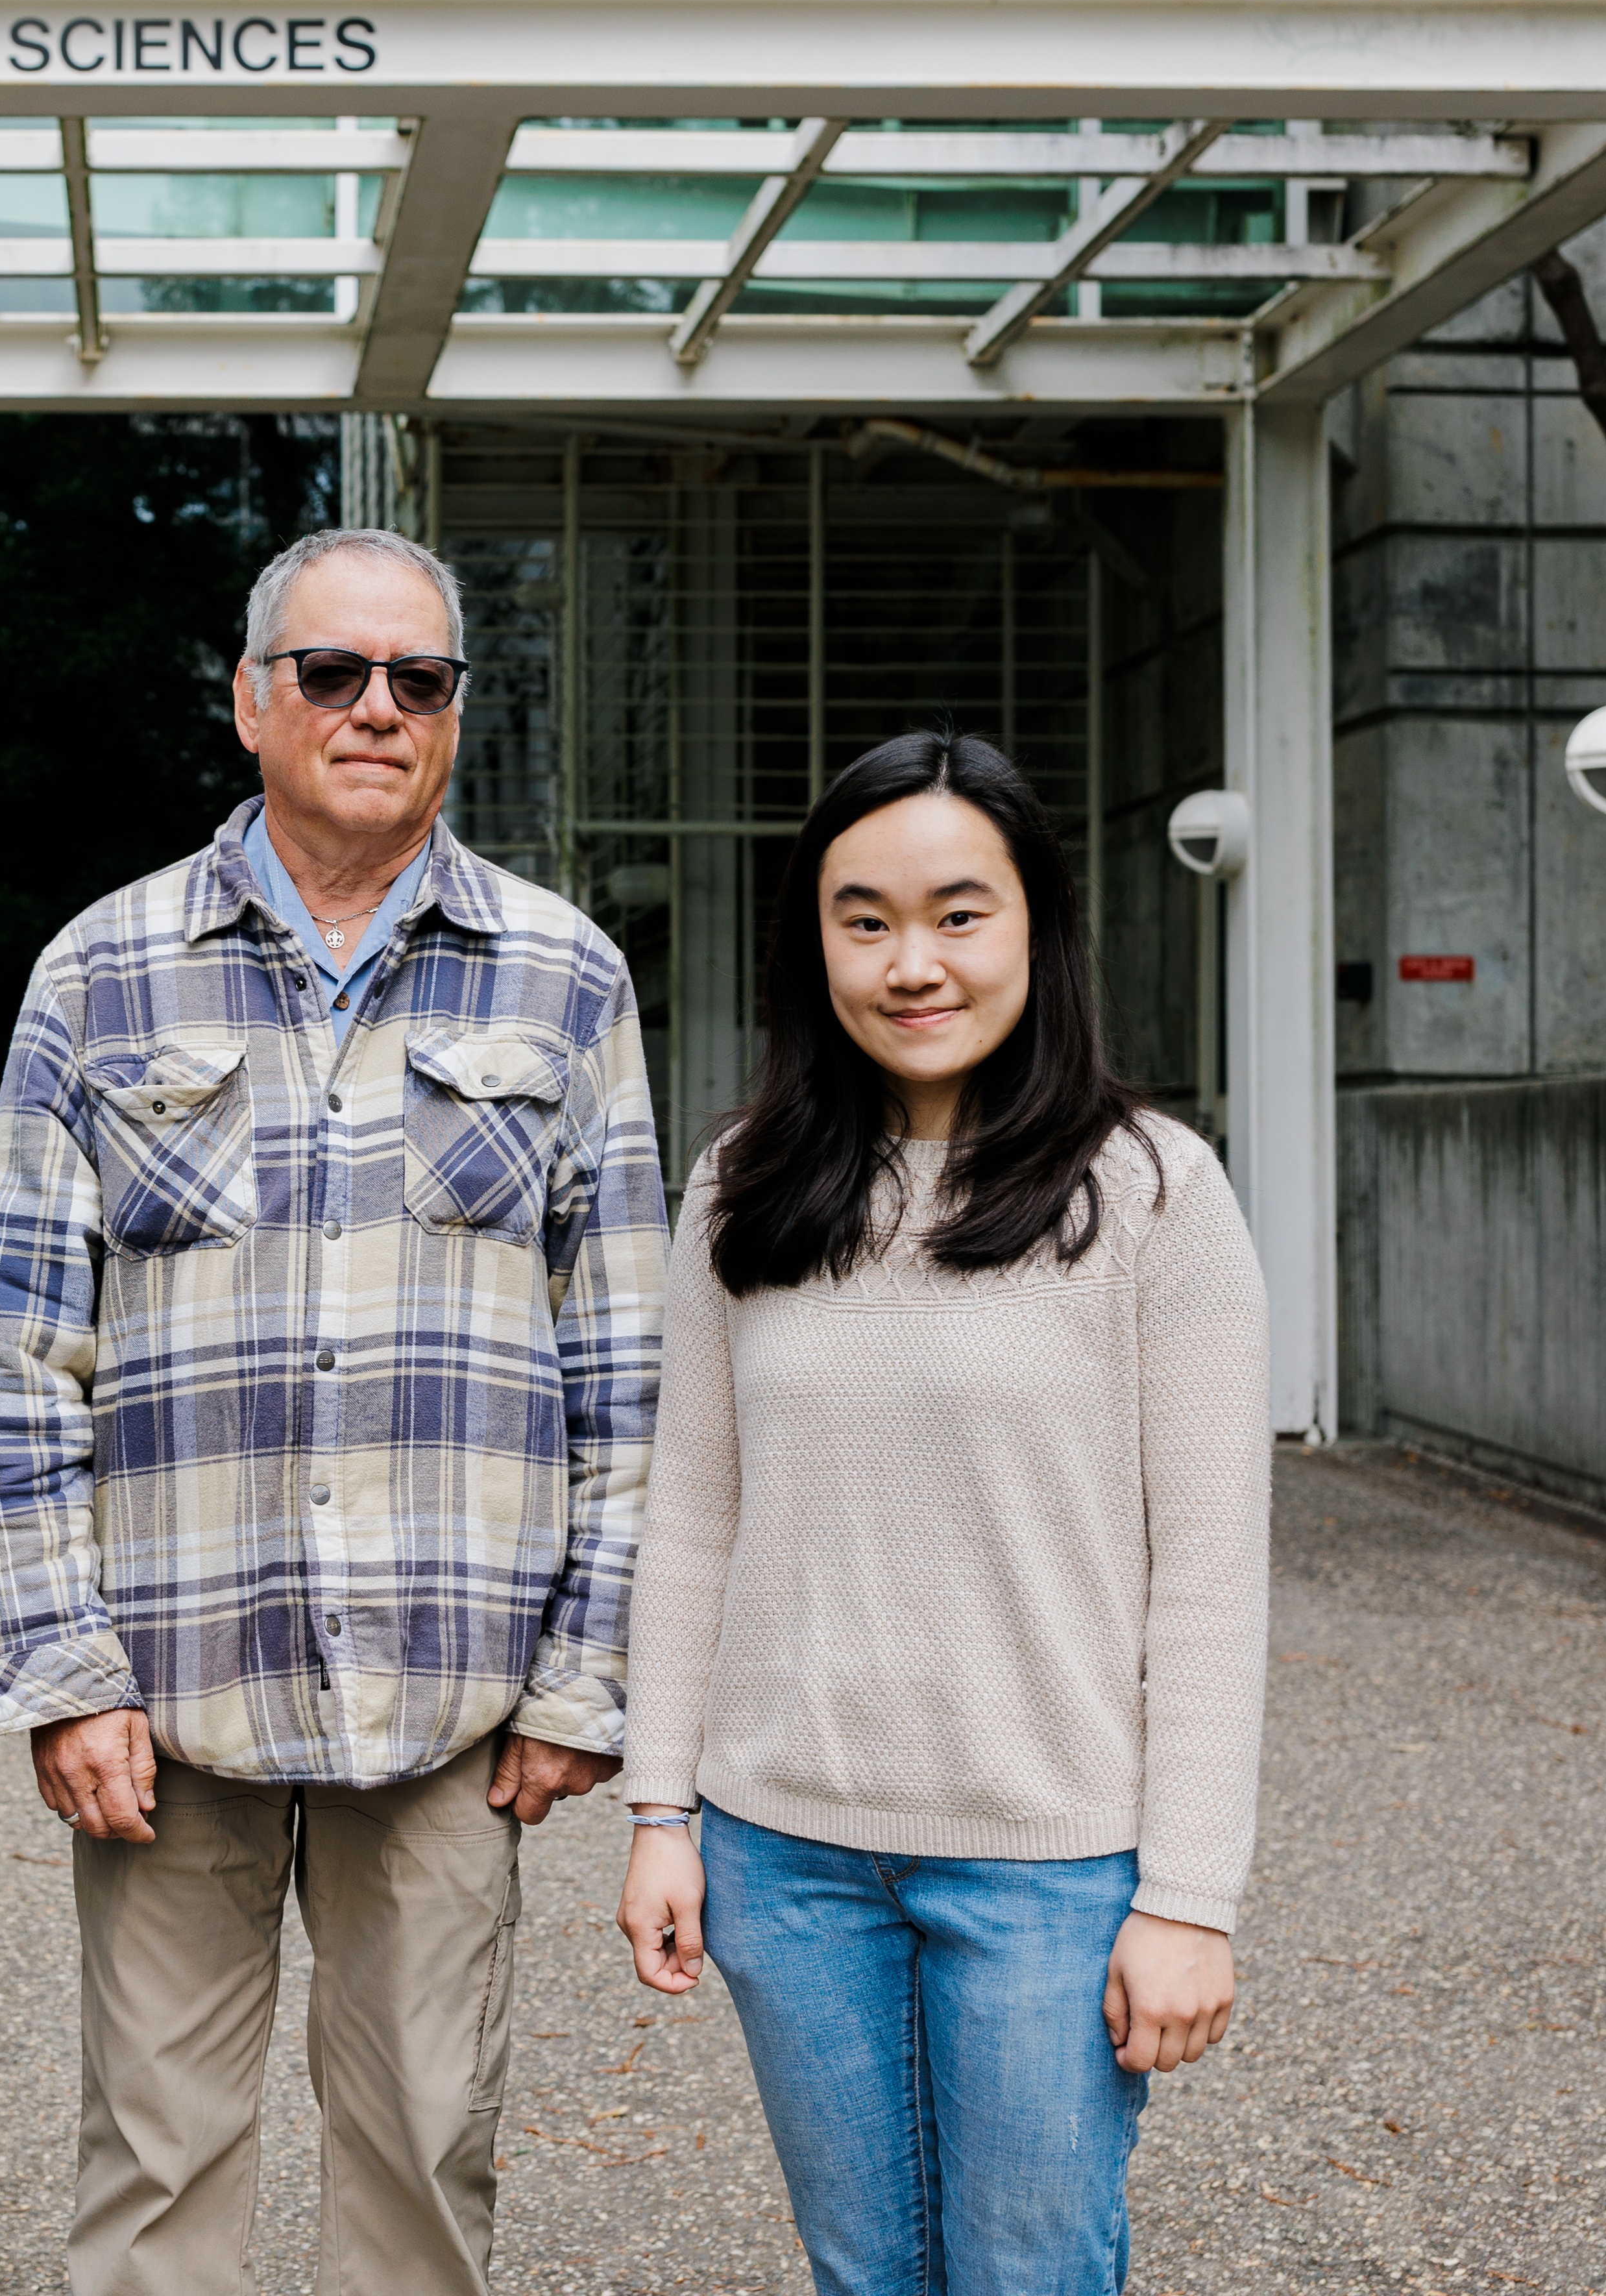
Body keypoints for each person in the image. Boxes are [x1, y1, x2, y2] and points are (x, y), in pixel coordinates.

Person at [0, 526, 669, 2296]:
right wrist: (58, 1672)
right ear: (255, 701)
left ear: (453, 714)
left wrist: (586, 1679)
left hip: (449, 1696)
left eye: (417, 679)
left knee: (431, 2153)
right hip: (167, 1697)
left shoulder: (564, 979)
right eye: (333, 673)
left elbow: (628, 1365)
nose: (376, 708)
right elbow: (15, 1356)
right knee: (156, 2158)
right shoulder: (101, 974)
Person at [614, 726, 1271, 2296]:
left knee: (1030, 2270)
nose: (911, 963)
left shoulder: (1152, 1195)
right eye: (864, 919)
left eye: (958, 913)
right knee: (862, 2269)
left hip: (1047, 1867)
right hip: (783, 1857)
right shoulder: (740, 1186)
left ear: (1034, 927)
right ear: (814, 941)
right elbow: (691, 1514)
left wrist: (1187, 1899)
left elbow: (1210, 1581)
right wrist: (658, 1810)